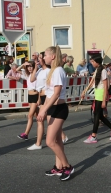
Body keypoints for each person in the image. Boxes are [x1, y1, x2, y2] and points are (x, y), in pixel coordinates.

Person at [36, 45, 74, 181]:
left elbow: (57, 93)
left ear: (52, 56)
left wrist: (44, 109)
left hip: (59, 108)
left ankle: (67, 166)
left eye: (45, 55)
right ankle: (58, 167)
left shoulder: (58, 71)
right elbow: (48, 94)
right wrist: (43, 108)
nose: (43, 57)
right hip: (52, 108)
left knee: (50, 141)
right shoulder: (52, 71)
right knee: (57, 140)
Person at [81, 55, 111, 144]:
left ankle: (94, 136)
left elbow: (106, 86)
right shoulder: (97, 71)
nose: (92, 63)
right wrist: (84, 91)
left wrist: (104, 100)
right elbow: (93, 83)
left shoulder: (103, 71)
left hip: (102, 94)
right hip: (97, 93)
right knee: (100, 116)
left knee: (96, 115)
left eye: (93, 62)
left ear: (97, 62)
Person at [16, 61, 39, 141]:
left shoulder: (36, 75)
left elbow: (40, 88)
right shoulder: (28, 75)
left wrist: (39, 99)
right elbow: (16, 70)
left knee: (30, 115)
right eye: (28, 66)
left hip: (35, 95)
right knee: (37, 115)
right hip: (30, 96)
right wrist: (23, 65)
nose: (29, 68)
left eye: (31, 66)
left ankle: (25, 134)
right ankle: (41, 131)